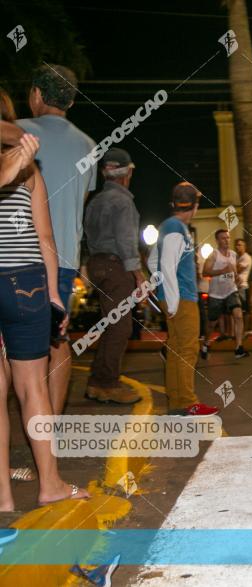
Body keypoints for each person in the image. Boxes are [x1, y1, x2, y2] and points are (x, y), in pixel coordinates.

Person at [0, 88, 89, 508]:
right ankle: (49, 484)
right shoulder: (29, 168)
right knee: (32, 387)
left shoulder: (24, 164)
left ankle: (2, 498)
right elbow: (46, 237)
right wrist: (54, 295)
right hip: (27, 283)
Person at [5, 65, 98, 415]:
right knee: (57, 343)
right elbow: (79, 206)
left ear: (36, 96)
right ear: (71, 102)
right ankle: (50, 429)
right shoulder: (89, 146)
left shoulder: (17, 133)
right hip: (62, 261)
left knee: (11, 347)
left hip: (16, 258)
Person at [149, 183, 218, 416]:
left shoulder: (169, 226)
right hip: (182, 297)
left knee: (176, 349)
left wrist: (162, 291)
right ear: (195, 206)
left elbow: (153, 261)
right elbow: (167, 264)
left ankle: (178, 402)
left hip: (176, 295)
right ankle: (188, 401)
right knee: (188, 349)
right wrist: (173, 299)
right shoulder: (176, 228)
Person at [82, 148, 142, 404]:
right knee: (121, 326)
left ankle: (97, 381)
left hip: (96, 263)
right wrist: (138, 274)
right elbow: (126, 242)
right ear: (127, 173)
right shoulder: (123, 202)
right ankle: (107, 383)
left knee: (111, 324)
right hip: (115, 266)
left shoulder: (94, 201)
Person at [203, 229, 249, 359]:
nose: (226, 240)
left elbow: (233, 269)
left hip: (231, 290)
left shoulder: (233, 254)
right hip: (216, 294)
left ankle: (239, 347)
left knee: (238, 315)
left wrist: (237, 278)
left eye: (228, 238)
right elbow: (205, 272)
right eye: (223, 238)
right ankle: (206, 343)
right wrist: (222, 271)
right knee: (212, 323)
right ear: (217, 241)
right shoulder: (214, 255)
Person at [234, 238, 252, 332]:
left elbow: (238, 270)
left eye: (240, 245)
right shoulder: (236, 257)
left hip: (242, 286)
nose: (237, 247)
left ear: (244, 247)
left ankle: (244, 330)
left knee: (244, 310)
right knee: (236, 310)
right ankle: (238, 330)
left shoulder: (246, 257)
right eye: (236, 245)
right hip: (234, 287)